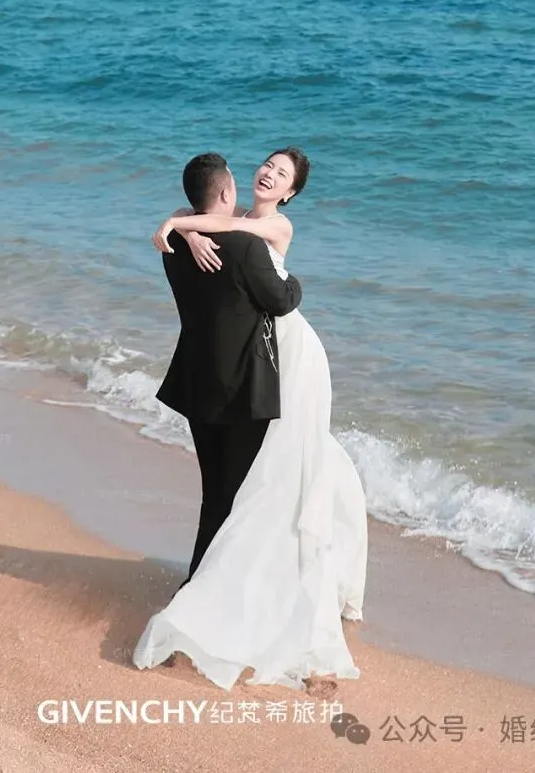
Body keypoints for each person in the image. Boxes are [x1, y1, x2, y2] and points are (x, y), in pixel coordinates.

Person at [134, 148, 368, 691]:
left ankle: (229, 587)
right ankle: (223, 591)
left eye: (282, 174)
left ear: (289, 193)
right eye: (267, 164)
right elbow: (218, 224)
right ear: (233, 186)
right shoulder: (229, 226)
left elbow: (228, 235)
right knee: (254, 486)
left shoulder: (274, 227)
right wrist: (187, 227)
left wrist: (180, 226)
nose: (269, 173)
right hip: (247, 370)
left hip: (286, 362)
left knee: (273, 477)